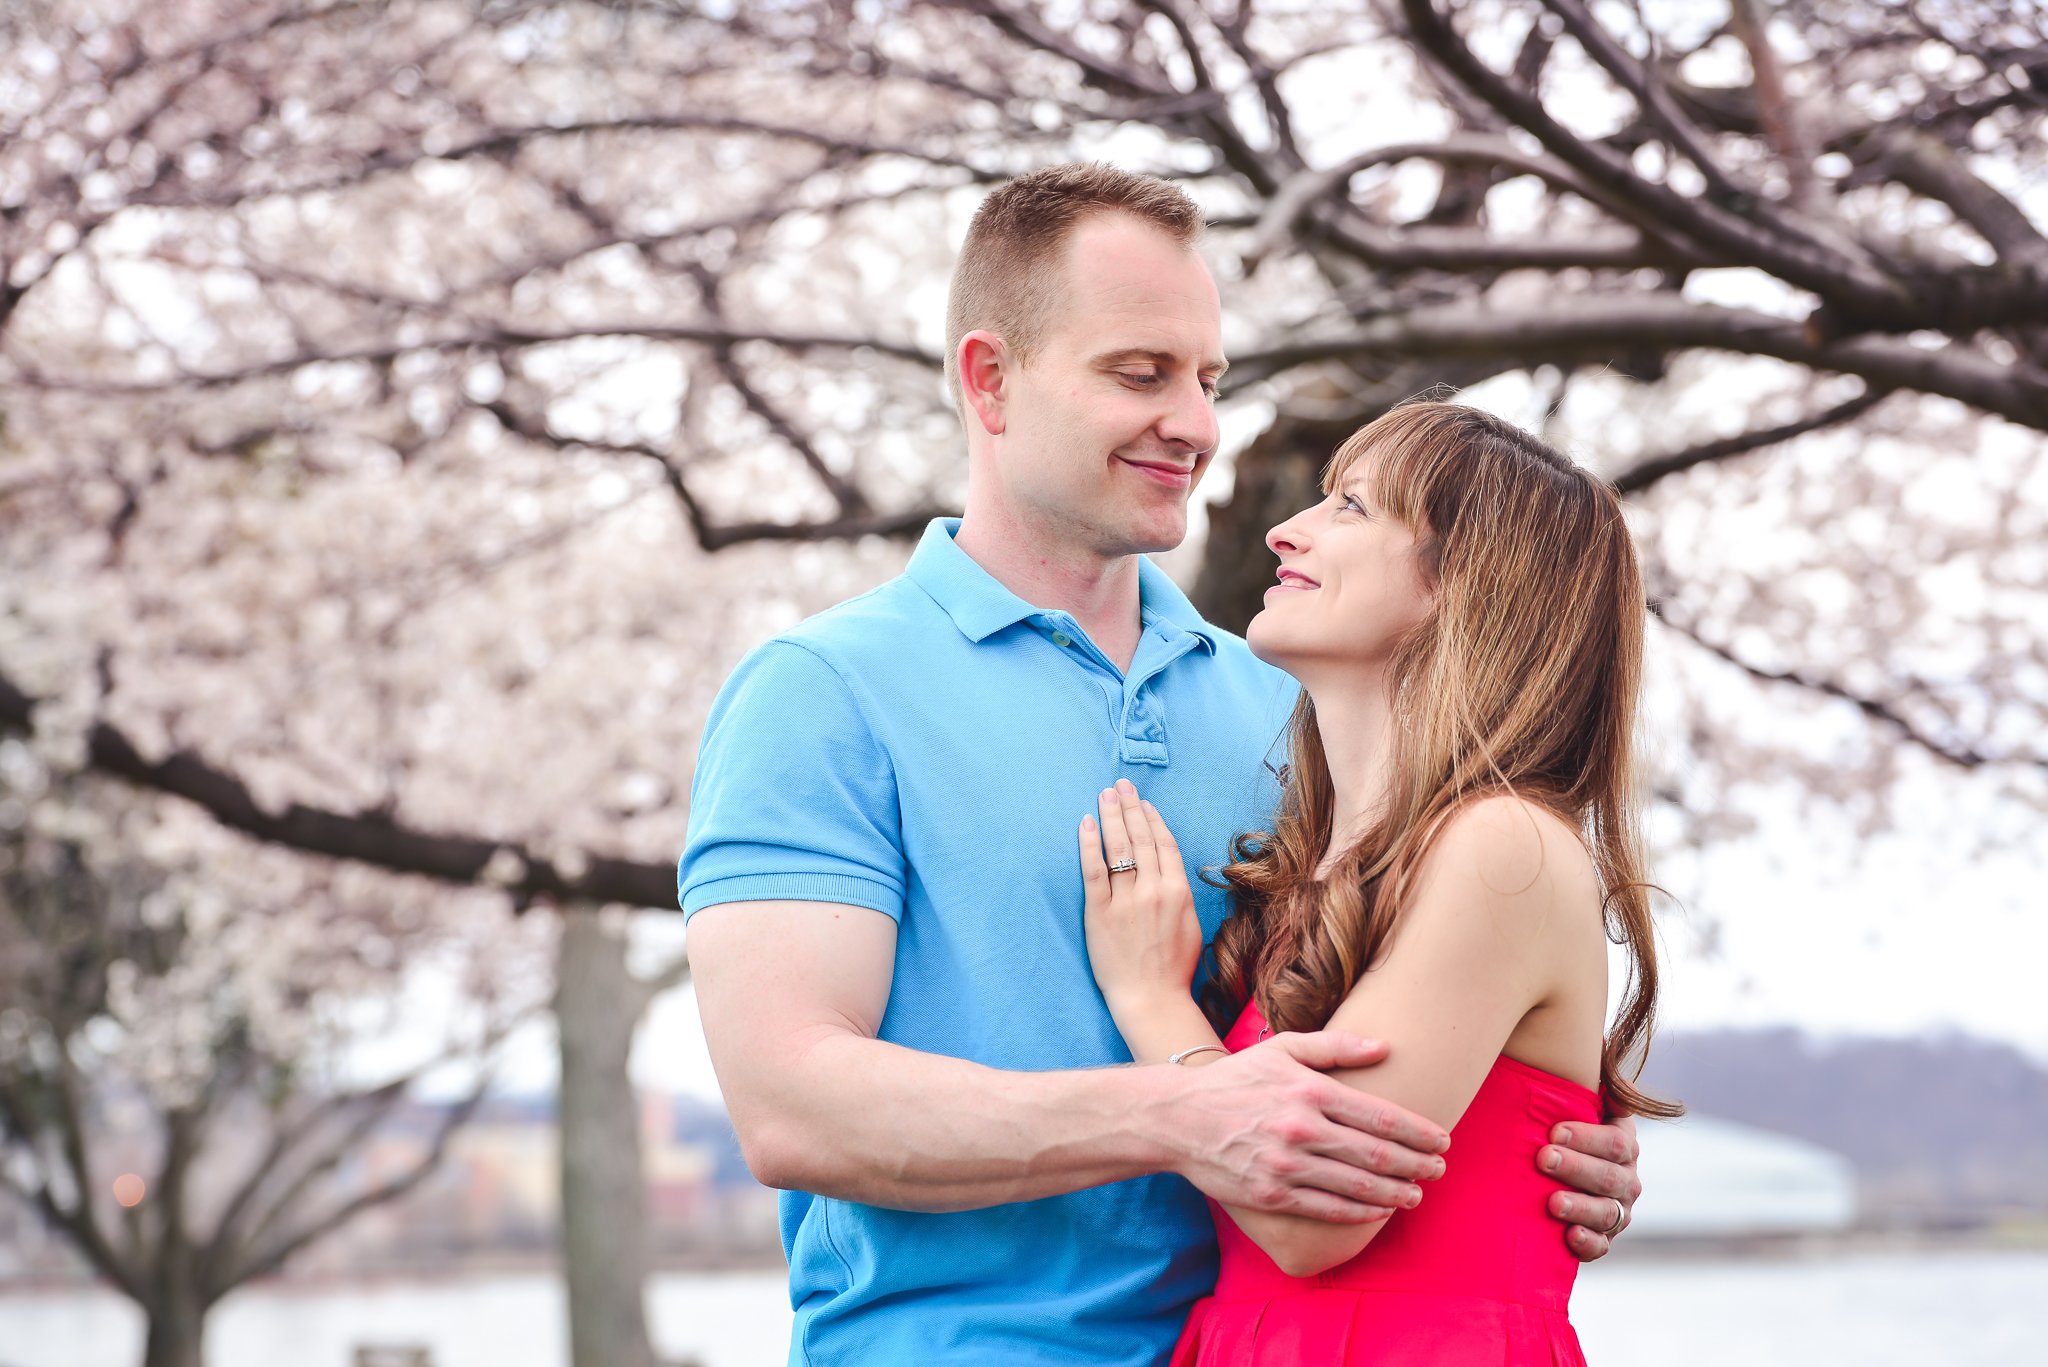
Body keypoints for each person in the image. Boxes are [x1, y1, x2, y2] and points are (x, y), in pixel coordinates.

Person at [679, 164, 1642, 1367]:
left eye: (1205, 380)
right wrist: (1190, 1117)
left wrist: (1517, 1147)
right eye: (1138, 373)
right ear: (989, 380)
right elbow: (790, 1103)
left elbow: (1395, 1059)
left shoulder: (1287, 707)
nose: (1191, 423)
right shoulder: (822, 693)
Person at [1080, 400, 1682, 1365]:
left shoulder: (1505, 846)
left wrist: (1151, 996)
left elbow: (1311, 1218)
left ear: (1461, 584)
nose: (1287, 529)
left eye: (1351, 506)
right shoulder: (1325, 863)